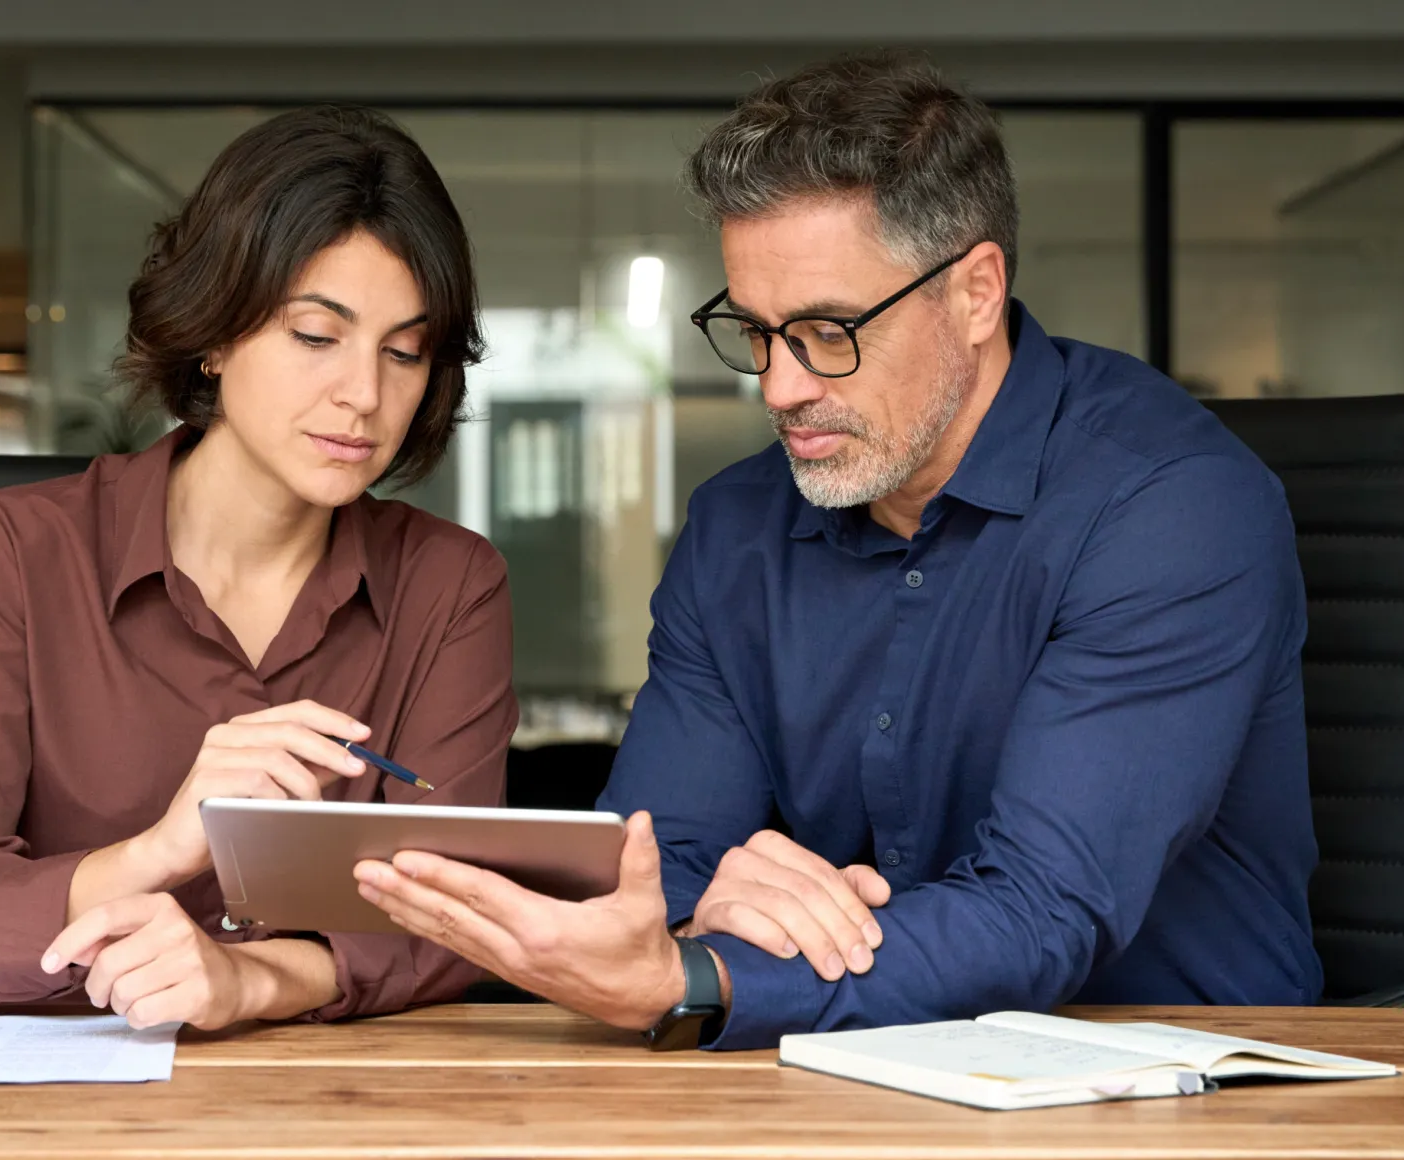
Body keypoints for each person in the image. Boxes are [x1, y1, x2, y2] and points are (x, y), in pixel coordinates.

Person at [355, 52, 1322, 1049]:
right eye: (754, 331)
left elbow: (1043, 906)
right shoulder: (736, 530)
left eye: (824, 331)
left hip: (1162, 1086)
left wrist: (703, 971)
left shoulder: (1169, 507)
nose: (776, 387)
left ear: (975, 291)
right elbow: (658, 859)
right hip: (839, 1079)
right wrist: (703, 918)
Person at [0, 106, 515, 1031]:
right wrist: (160, 852)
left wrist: (250, 980)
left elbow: (459, 916)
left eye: (403, 351)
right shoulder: (11, 554)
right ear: (214, 333)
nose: (364, 394)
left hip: (337, 1114)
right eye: (315, 335)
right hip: (53, 1111)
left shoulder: (450, 587)